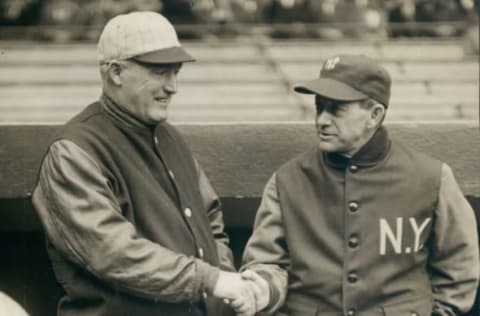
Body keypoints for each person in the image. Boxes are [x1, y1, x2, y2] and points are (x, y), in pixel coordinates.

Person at [32, 11, 266, 316]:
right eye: (159, 72)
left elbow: (210, 221)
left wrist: (228, 288)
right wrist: (211, 279)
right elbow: (112, 253)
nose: (173, 87)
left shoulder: (170, 138)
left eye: (175, 71)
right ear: (115, 72)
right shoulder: (74, 151)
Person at [241, 54, 480, 315]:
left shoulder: (432, 177)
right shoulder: (287, 180)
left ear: (375, 115)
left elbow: (460, 269)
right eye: (319, 107)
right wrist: (261, 287)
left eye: (336, 109)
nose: (321, 120)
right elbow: (265, 263)